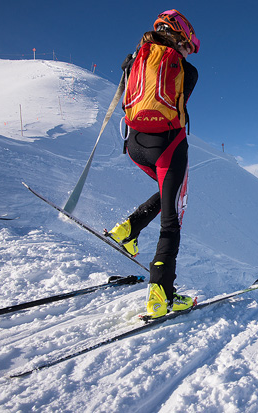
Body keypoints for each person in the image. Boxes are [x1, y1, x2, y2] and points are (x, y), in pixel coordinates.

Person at [107, 9, 200, 318]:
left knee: (166, 193)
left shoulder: (134, 60)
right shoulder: (188, 71)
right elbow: (179, 102)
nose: (188, 52)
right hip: (168, 147)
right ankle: (162, 295)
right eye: (187, 46)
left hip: (135, 144)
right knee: (173, 218)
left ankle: (129, 230)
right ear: (179, 38)